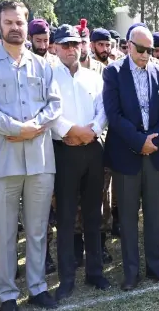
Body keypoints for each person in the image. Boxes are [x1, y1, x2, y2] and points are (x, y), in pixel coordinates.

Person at [0, 1, 63, 310]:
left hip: (39, 160)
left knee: (37, 230)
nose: (14, 27)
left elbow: (55, 103)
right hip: (3, 160)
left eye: (19, 22)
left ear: (27, 23)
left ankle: (37, 288)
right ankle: (7, 294)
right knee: (5, 233)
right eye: (8, 22)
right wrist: (15, 127)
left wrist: (33, 126)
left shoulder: (44, 64)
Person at [103, 24, 159, 291]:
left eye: (150, 50)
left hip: (154, 153)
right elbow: (114, 114)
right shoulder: (113, 72)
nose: (146, 55)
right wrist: (138, 141)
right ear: (128, 45)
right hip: (127, 155)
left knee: (154, 214)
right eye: (141, 49)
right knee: (129, 217)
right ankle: (131, 273)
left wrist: (152, 140)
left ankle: (155, 267)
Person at [51, 24, 111, 300]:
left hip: (92, 149)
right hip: (64, 151)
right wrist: (72, 132)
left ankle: (95, 272)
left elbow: (103, 110)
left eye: (74, 44)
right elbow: (50, 113)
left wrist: (92, 131)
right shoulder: (49, 77)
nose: (70, 49)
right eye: (65, 44)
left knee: (93, 214)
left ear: (81, 46)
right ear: (55, 47)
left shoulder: (93, 77)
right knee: (65, 217)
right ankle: (66, 278)